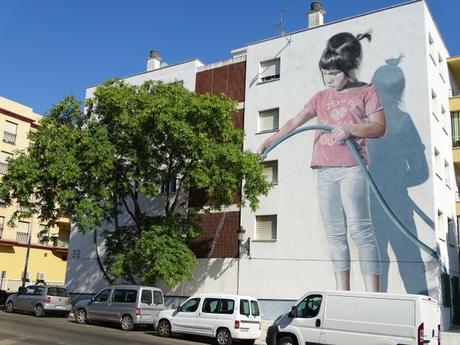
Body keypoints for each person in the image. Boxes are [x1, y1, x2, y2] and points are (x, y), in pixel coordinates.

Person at [258, 32, 386, 292]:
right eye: (325, 74)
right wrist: (269, 141)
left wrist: (351, 129)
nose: (328, 80)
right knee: (335, 234)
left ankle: (373, 295)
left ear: (348, 68)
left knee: (360, 230)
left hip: (353, 169)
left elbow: (379, 127)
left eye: (334, 74)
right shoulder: (320, 97)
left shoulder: (367, 91)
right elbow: (295, 122)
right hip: (325, 170)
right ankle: (343, 293)